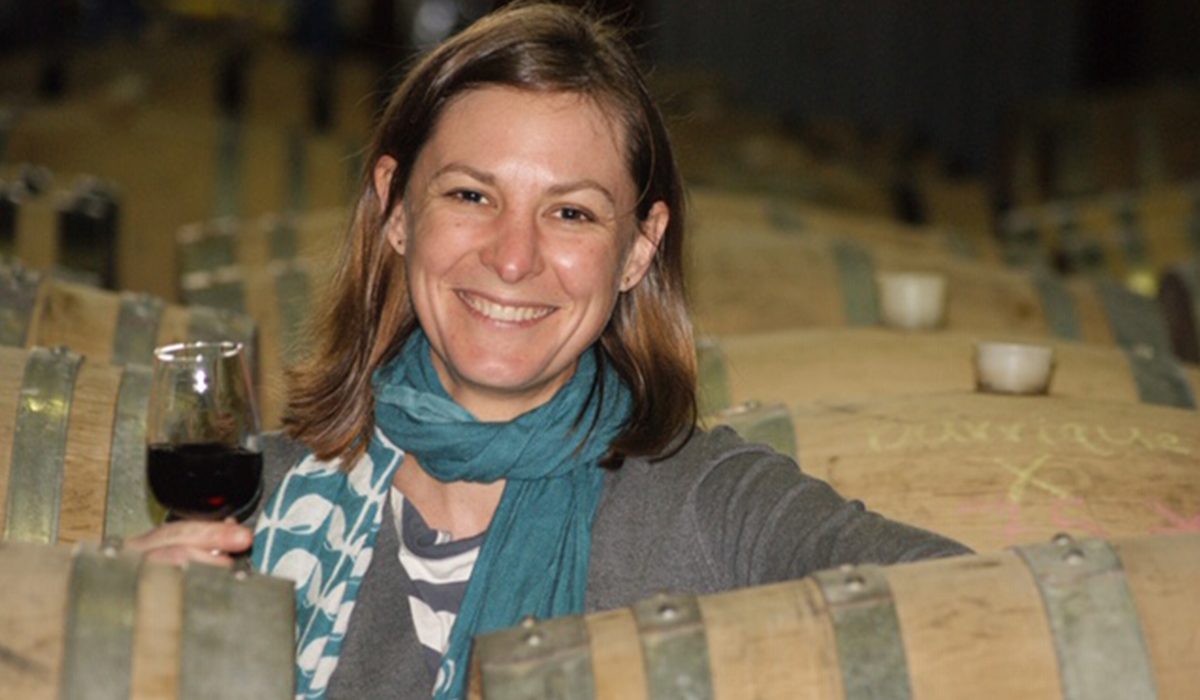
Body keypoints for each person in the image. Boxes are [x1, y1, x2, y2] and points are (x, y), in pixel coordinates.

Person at [128, 3, 969, 699]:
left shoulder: (710, 506)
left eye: (571, 213)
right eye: (470, 195)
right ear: (395, 209)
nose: (514, 257)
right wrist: (133, 654)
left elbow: (974, 614)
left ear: (639, 249)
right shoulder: (257, 513)